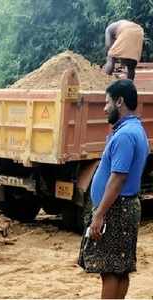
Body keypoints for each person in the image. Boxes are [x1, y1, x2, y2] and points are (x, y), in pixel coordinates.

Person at [78, 79, 149, 299]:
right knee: (121, 268)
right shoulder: (135, 129)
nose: (104, 107)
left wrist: (99, 215)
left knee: (109, 270)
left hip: (116, 209)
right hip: (124, 208)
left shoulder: (125, 135)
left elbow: (117, 178)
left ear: (119, 102)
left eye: (107, 102)